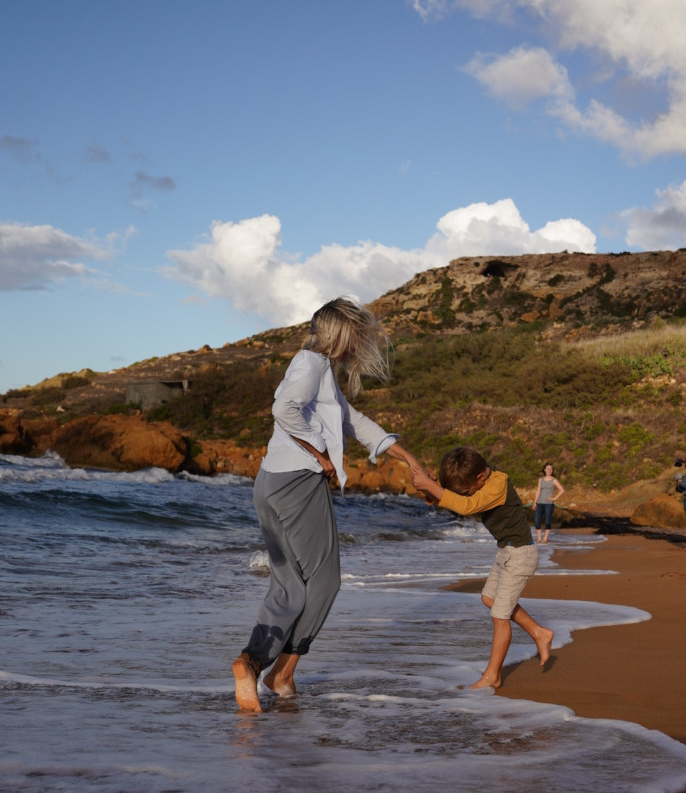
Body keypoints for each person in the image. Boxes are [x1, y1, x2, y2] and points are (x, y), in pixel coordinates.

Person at [232, 299, 423, 714]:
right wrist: (319, 454)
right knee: (325, 582)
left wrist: (407, 458)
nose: (361, 343)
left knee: (290, 585)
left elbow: (352, 421)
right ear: (341, 334)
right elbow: (283, 409)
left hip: (271, 481)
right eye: (357, 335)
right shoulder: (312, 364)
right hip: (298, 483)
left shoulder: (318, 369)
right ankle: (279, 674)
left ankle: (251, 663)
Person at [409, 445, 553, 689]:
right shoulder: (479, 475)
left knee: (499, 616)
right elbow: (457, 497)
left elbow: (468, 506)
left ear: (479, 478)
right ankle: (539, 632)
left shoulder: (498, 483)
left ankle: (493, 676)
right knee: (489, 599)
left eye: (467, 491)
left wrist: (434, 489)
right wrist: (430, 489)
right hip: (507, 551)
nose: (465, 495)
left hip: (520, 555)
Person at [531, 462, 565, 543]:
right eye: (548, 468)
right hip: (539, 503)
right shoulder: (541, 480)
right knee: (537, 522)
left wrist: (554, 498)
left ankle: (545, 539)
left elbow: (562, 490)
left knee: (548, 522)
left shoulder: (554, 480)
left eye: (551, 469)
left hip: (549, 505)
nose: (549, 470)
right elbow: (538, 491)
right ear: (544, 470)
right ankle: (539, 538)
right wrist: (535, 502)